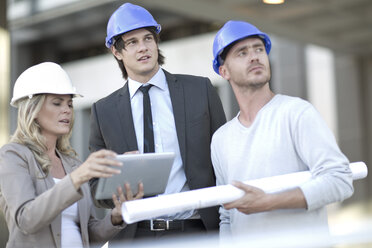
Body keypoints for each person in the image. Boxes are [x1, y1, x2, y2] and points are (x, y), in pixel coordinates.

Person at [89, 2, 226, 240]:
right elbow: (95, 187)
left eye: (148, 39)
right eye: (132, 42)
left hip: (197, 231)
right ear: (117, 51)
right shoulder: (104, 111)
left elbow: (225, 159)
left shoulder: (199, 90)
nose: (143, 48)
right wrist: (119, 184)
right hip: (135, 236)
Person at [210, 20, 354, 239]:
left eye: (259, 49)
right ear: (224, 71)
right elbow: (227, 216)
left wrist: (269, 201)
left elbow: (339, 179)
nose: (255, 56)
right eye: (242, 53)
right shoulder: (221, 139)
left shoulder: (297, 113)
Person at [0, 62, 144, 248]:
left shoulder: (72, 164)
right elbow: (27, 219)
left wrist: (116, 216)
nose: (67, 109)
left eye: (69, 103)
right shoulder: (12, 156)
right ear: (32, 110)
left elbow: (89, 235)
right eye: (57, 103)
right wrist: (76, 178)